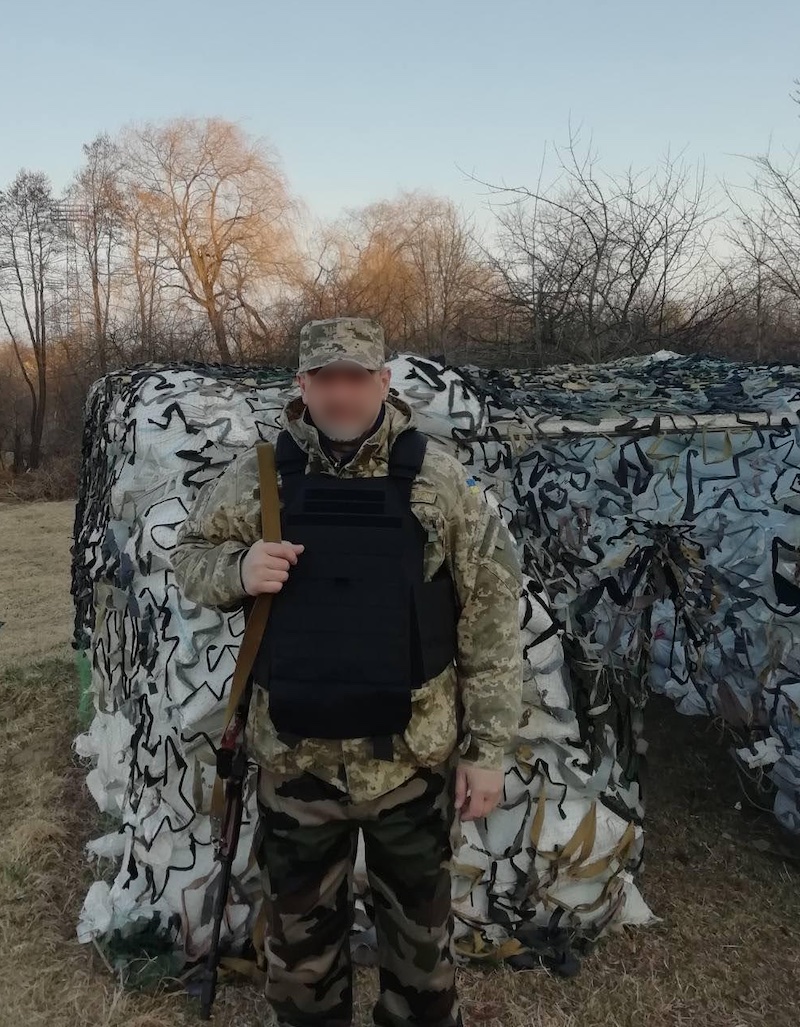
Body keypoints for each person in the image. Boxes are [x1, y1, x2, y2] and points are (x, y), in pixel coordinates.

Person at [171, 317, 523, 1027]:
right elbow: (188, 557)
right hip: (296, 762)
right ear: (302, 386)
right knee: (301, 967)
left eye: (356, 377)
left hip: (410, 767)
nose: (341, 393)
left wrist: (488, 754)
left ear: (383, 382)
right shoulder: (263, 474)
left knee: (422, 967)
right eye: (324, 378)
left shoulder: (435, 477)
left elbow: (490, 610)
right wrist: (238, 569)